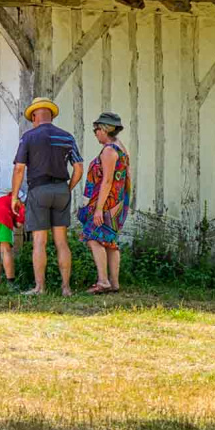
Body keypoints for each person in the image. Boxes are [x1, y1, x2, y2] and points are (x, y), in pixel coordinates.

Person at [11, 97, 82, 296]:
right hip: (61, 190)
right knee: (62, 242)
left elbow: (19, 169)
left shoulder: (29, 137)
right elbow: (78, 168)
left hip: (39, 191)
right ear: (50, 115)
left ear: (34, 116)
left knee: (39, 242)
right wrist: (68, 188)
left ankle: (40, 288)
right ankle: (66, 288)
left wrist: (14, 196)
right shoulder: (67, 137)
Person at [79, 112, 133, 294]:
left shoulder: (109, 151)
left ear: (104, 129)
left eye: (96, 130)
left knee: (93, 238)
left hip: (107, 204)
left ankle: (103, 281)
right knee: (110, 241)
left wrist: (99, 209)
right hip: (117, 203)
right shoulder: (121, 148)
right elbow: (127, 178)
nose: (95, 134)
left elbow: (107, 181)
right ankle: (114, 283)